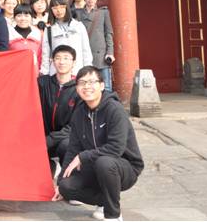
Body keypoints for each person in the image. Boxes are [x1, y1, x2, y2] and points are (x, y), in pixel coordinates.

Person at [54, 66, 144, 222]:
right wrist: (60, 182)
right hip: (94, 166)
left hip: (124, 167)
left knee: (105, 163)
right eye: (82, 83)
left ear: (102, 85)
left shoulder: (114, 110)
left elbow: (116, 149)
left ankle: (113, 215)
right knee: (66, 187)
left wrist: (83, 156)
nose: (87, 86)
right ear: (77, 88)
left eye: (91, 82)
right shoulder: (79, 113)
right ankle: (105, 201)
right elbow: (73, 149)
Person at [38, 45, 80, 179]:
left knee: (66, 145)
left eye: (66, 58)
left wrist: (50, 140)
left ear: (73, 62)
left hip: (64, 138)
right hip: (42, 137)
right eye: (58, 58)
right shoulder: (42, 83)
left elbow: (74, 126)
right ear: (52, 61)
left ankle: (70, 181)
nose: (62, 62)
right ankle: (50, 166)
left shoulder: (79, 89)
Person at [76, 0, 115, 92]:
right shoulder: (77, 13)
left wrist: (110, 52)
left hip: (100, 54)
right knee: (85, 84)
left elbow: (108, 33)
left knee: (105, 86)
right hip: (83, 53)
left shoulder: (103, 12)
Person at [41, 0, 92, 76]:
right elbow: (45, 53)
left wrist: (88, 69)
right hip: (57, 72)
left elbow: (86, 50)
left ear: (67, 8)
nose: (58, 11)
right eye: (55, 8)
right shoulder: (49, 29)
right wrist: (45, 72)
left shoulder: (78, 26)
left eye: (62, 7)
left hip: (77, 71)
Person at [7, 3, 43, 71]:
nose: (23, 19)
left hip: (34, 73)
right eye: (19, 15)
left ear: (31, 17)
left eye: (26, 15)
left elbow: (41, 56)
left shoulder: (38, 34)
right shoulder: (8, 34)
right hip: (14, 72)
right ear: (14, 17)